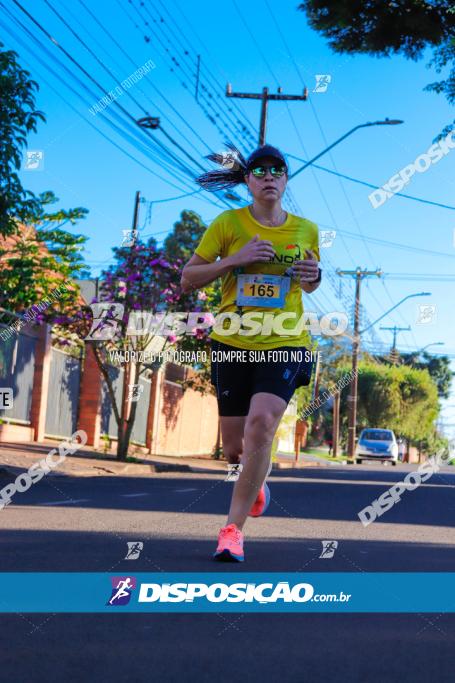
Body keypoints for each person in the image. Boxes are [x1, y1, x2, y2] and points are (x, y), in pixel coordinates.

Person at [181, 144, 321, 562]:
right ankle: (255, 479)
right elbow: (189, 278)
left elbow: (311, 283)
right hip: (233, 342)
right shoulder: (227, 223)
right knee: (235, 450)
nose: (269, 177)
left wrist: (314, 275)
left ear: (286, 179)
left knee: (261, 424)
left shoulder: (306, 230)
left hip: (286, 341)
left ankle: (231, 532)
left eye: (277, 171)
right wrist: (235, 260)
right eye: (260, 172)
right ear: (249, 181)